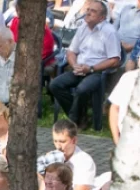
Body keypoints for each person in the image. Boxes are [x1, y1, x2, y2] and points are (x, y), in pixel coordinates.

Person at [49, 0, 121, 128]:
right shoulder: (83, 28)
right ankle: (80, 117)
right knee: (55, 85)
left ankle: (72, 121)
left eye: (93, 11)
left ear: (102, 17)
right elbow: (71, 51)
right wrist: (75, 65)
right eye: (88, 10)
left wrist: (92, 68)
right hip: (80, 69)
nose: (88, 13)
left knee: (82, 89)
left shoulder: (109, 32)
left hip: (97, 72)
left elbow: (115, 60)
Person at [39, 120, 96, 190]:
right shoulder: (53, 157)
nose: (58, 146)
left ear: (74, 140)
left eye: (62, 142)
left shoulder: (85, 162)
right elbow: (43, 189)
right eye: (55, 141)